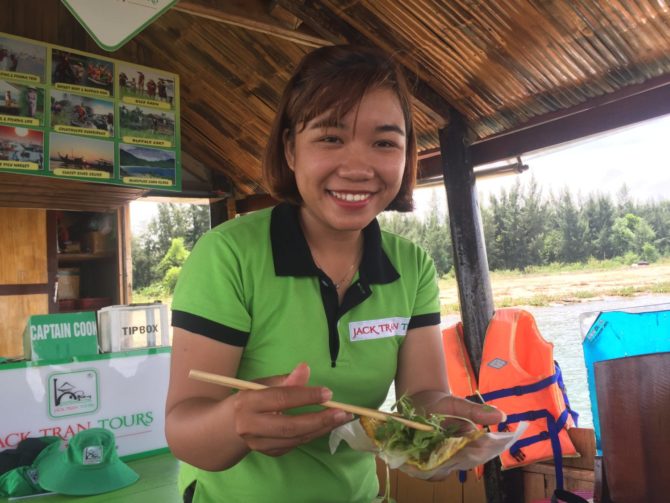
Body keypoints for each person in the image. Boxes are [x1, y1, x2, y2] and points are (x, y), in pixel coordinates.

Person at [165, 45, 504, 503]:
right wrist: (234, 422)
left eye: (384, 142)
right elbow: (184, 427)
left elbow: (421, 395)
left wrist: (443, 428)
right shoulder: (228, 255)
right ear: (290, 149)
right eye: (330, 138)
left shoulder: (412, 267)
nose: (358, 167)